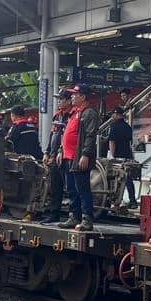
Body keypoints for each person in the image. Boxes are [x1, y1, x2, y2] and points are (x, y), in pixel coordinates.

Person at [58, 84, 99, 231]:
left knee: (82, 188)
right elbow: (66, 134)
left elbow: (90, 135)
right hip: (68, 157)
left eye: (75, 94)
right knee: (71, 189)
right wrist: (60, 150)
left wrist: (85, 154)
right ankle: (74, 215)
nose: (72, 97)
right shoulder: (75, 112)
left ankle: (87, 218)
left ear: (83, 96)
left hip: (78, 157)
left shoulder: (89, 113)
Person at [40, 91, 72, 223]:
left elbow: (68, 137)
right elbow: (52, 136)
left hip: (66, 156)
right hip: (54, 156)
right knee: (55, 187)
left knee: (70, 187)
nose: (59, 101)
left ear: (69, 101)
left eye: (61, 99)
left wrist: (61, 150)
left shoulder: (72, 116)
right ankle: (54, 214)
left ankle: (73, 216)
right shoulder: (57, 116)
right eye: (58, 99)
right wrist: (46, 152)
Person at [106, 107, 137, 209]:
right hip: (127, 155)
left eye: (113, 114)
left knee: (115, 179)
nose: (112, 116)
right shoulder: (128, 127)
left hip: (118, 156)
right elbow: (130, 141)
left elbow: (112, 141)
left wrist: (112, 155)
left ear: (117, 114)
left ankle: (115, 201)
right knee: (128, 179)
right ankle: (132, 200)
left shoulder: (113, 126)